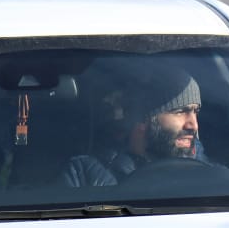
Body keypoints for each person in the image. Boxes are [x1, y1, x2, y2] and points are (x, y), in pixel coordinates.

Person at [61, 64, 204, 187]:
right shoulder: (84, 176)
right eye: (180, 112)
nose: (193, 125)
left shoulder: (212, 175)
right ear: (142, 119)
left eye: (195, 112)